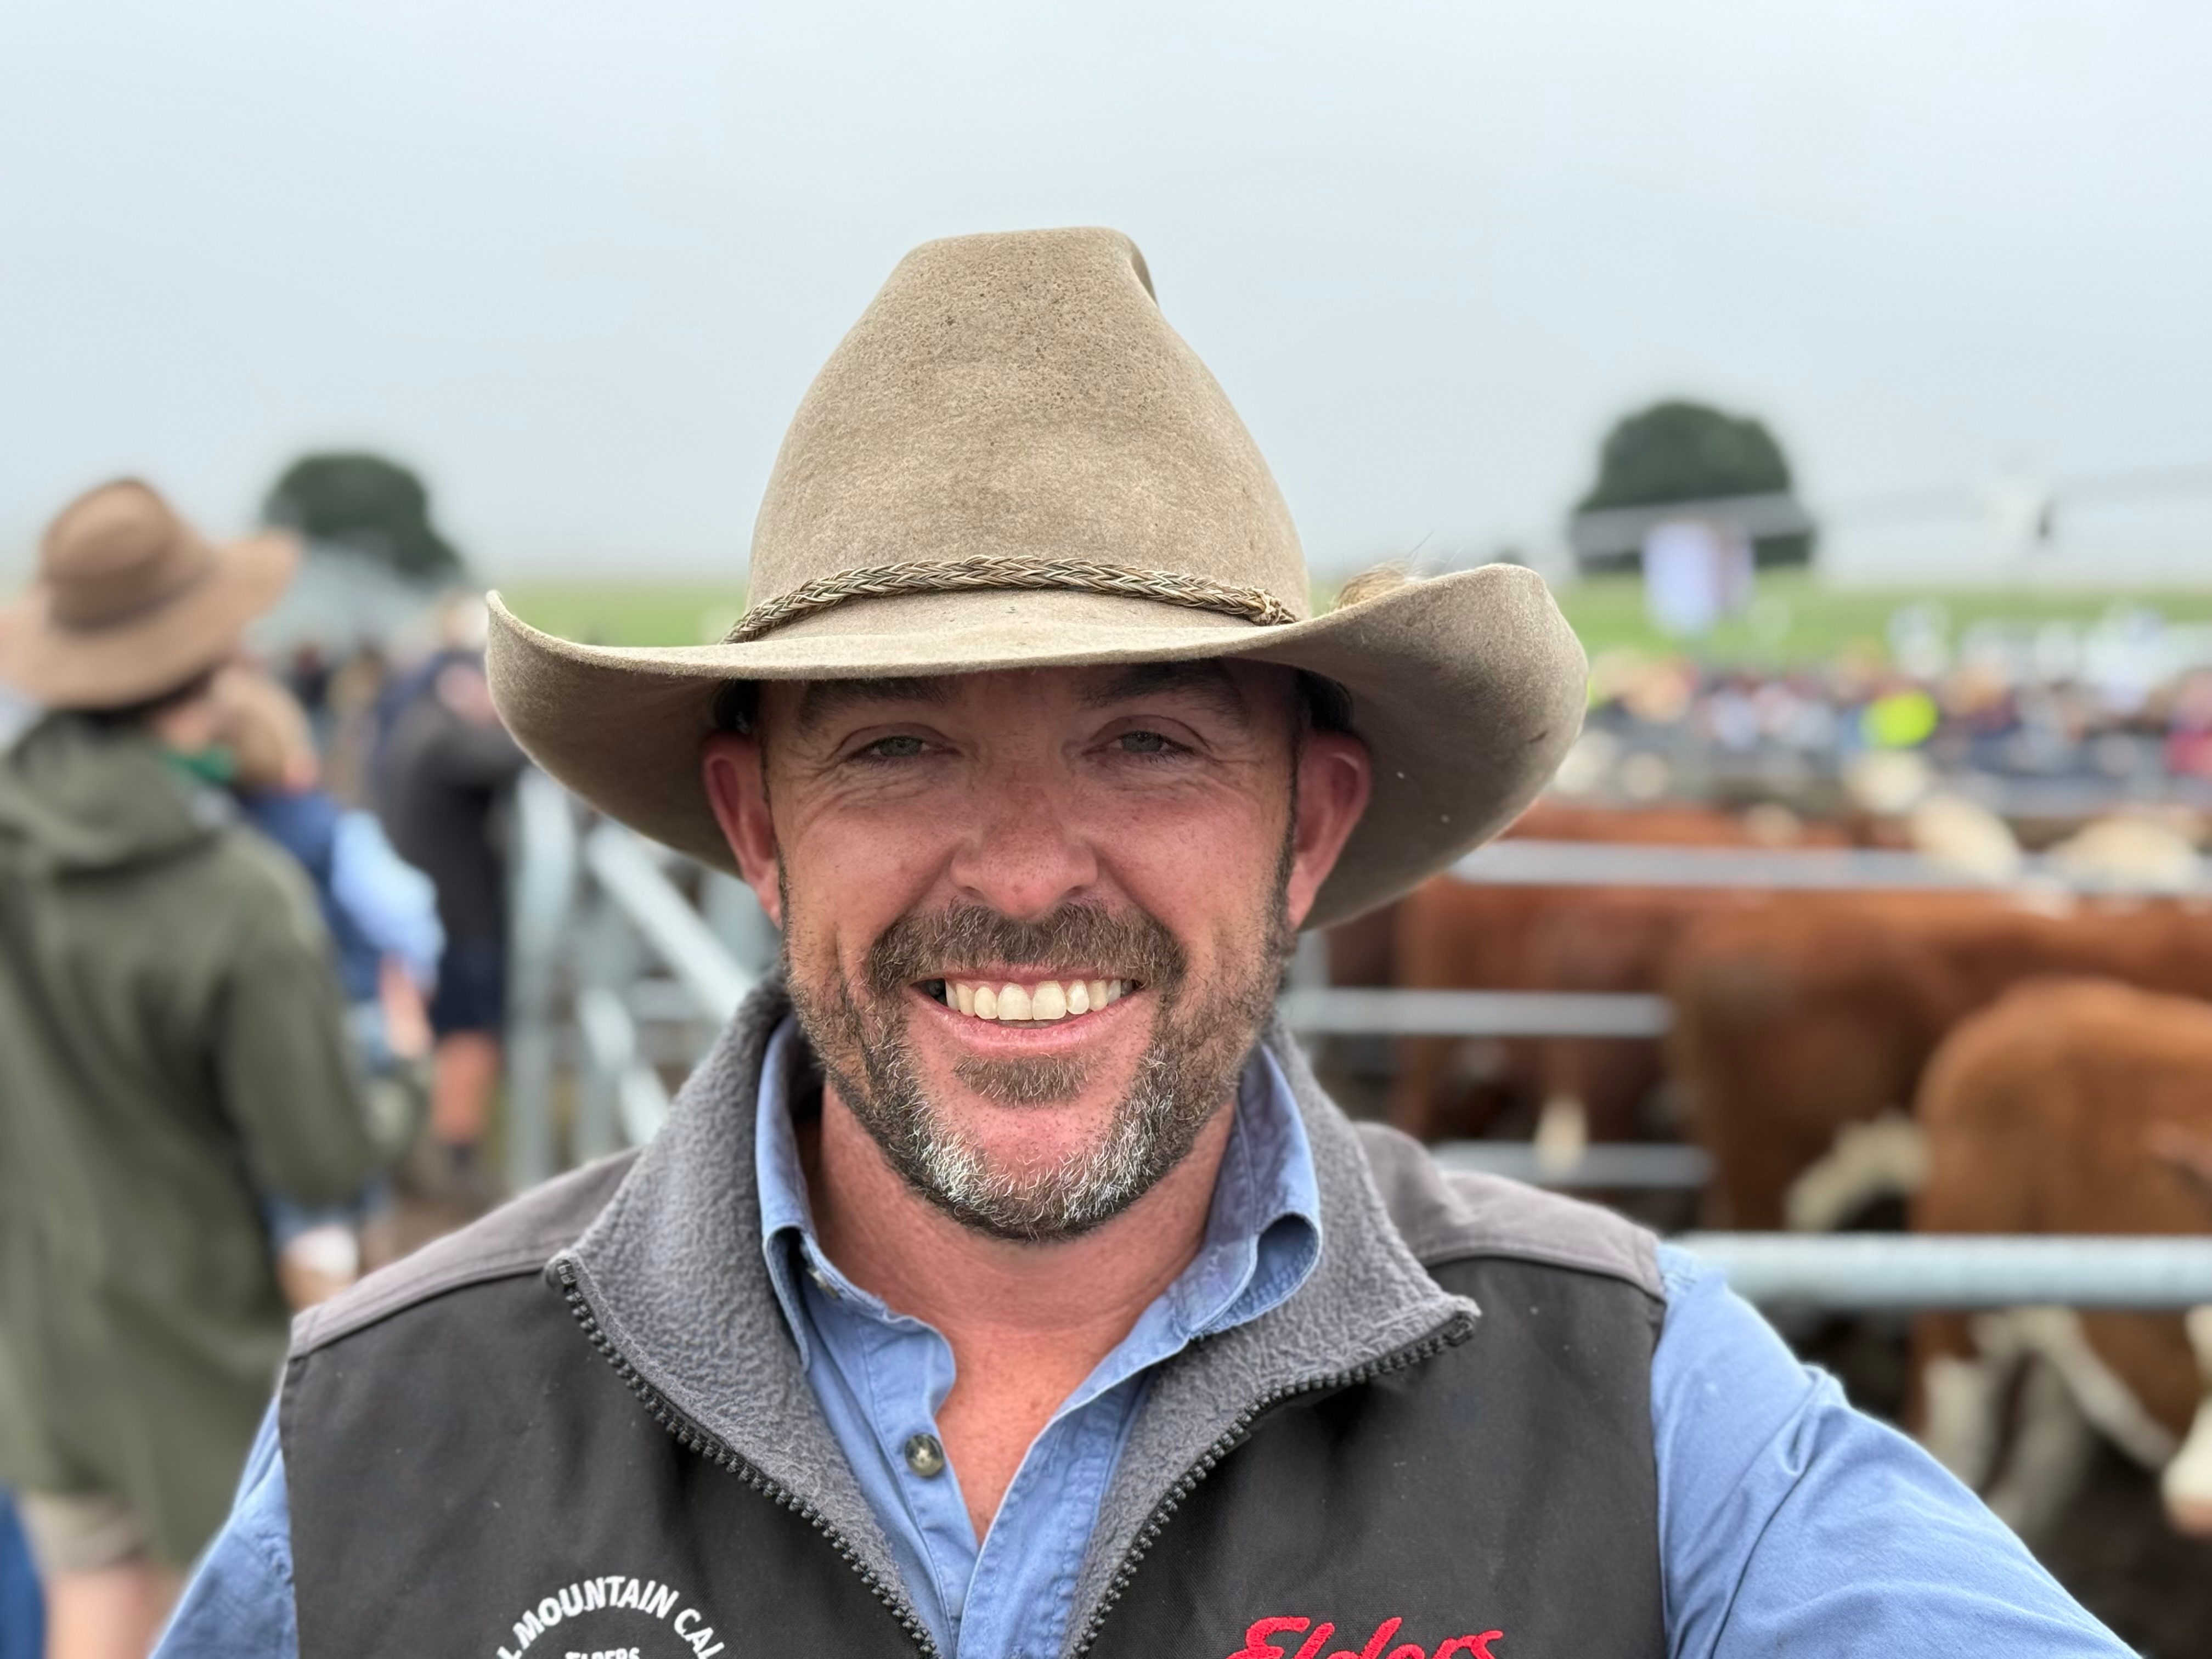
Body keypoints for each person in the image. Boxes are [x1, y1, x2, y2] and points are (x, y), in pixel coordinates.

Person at [162, 230, 2128, 1657]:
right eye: (900, 743)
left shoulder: (1639, 1402)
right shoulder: (387, 1429)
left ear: (1312, 827)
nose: (1025, 869)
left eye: (1150, 738)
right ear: (758, 828)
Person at [0, 481, 391, 1659]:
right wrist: (405, 1078)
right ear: (212, 658)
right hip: (201, 1349)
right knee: (212, 1625)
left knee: (86, 1609)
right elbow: (323, 1154)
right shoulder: (236, 900)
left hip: (40, 1331)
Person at [372, 609, 527, 1202]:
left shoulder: (416, 728)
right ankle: (453, 1163)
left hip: (435, 917)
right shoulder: (445, 741)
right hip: (462, 920)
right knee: (471, 1032)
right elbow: (513, 760)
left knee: (443, 1032)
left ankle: (431, 1153)